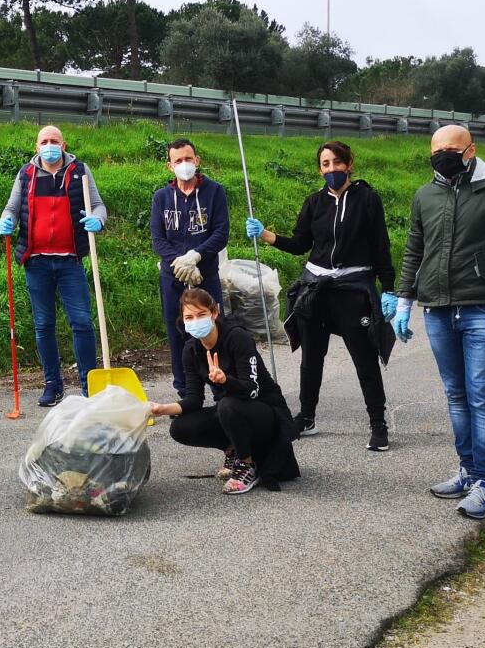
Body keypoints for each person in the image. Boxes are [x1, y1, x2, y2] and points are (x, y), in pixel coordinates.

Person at [393, 125, 485, 520]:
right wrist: (404, 300)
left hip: (483, 310)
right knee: (456, 394)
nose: (443, 154)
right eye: (437, 149)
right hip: (438, 310)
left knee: (481, 396)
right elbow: (413, 250)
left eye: (452, 148)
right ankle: (466, 469)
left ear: (470, 150)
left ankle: (484, 482)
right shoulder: (425, 195)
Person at [245, 140, 396, 452]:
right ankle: (307, 417)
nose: (332, 169)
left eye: (337, 163)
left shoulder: (368, 199)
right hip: (315, 290)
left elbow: (381, 247)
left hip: (353, 289)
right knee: (311, 357)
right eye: (325, 164)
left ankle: (378, 423)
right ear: (320, 169)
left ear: (349, 164)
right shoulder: (314, 202)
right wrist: (266, 235)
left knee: (364, 358)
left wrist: (389, 289)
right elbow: (301, 243)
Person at [149, 288, 299, 494]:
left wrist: (225, 380)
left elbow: (252, 390)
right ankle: (233, 450)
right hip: (229, 411)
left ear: (214, 313)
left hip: (265, 412)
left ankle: (247, 465)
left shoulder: (238, 337)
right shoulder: (191, 350)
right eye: (189, 317)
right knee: (180, 427)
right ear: (183, 321)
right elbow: (194, 399)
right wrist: (163, 408)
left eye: (201, 315)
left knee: (228, 405)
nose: (195, 321)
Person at [0, 125, 107, 406]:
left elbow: (98, 205)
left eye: (54, 141)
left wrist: (99, 220)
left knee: (82, 322)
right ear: (37, 147)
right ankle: (52, 385)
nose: (49, 145)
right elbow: (12, 207)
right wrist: (7, 220)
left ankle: (88, 385)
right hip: (37, 262)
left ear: (63, 144)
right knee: (43, 324)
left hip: (70, 261)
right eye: (44, 141)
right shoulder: (26, 174)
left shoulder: (80, 171)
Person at [150, 138, 229, 397]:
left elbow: (221, 232)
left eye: (188, 159)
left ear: (197, 161)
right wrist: (179, 262)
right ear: (169, 166)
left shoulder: (214, 192)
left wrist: (196, 256)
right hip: (172, 278)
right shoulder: (161, 197)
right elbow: (158, 239)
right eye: (178, 161)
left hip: (205, 275)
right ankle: (186, 392)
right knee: (178, 332)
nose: (184, 164)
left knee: (213, 330)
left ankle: (220, 389)